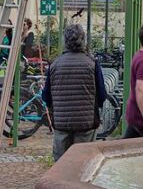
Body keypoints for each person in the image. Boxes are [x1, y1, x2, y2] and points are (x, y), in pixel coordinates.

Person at [42, 23, 108, 160]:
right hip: (86, 122)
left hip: (61, 123)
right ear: (83, 40)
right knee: (82, 163)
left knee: (61, 164)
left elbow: (46, 96)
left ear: (65, 41)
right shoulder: (92, 64)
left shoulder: (55, 64)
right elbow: (102, 95)